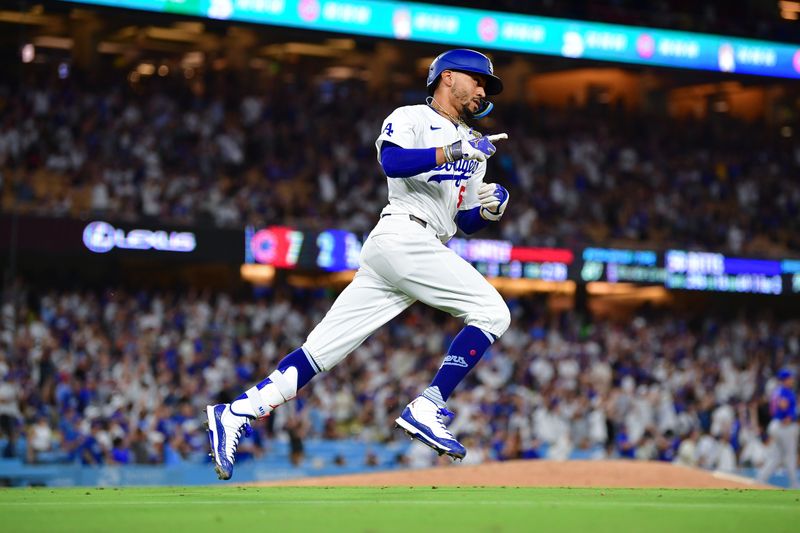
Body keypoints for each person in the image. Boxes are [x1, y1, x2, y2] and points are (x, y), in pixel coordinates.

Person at [205, 48, 512, 480]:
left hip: (416, 245)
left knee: (320, 352)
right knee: (493, 312)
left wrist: (491, 210)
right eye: (478, 80)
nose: (483, 90)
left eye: (487, 86)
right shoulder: (411, 117)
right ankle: (428, 405)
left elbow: (461, 221)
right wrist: (456, 148)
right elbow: (393, 161)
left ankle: (236, 412)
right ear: (447, 78)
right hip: (403, 233)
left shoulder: (473, 145)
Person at [757, 369, 798, 488]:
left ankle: (760, 479)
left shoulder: (776, 392)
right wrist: (788, 417)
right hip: (784, 426)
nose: (792, 380)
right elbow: (784, 407)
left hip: (775, 424)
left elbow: (773, 409)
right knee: (790, 456)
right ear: (785, 379)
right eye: (790, 378)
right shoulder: (786, 392)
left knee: (776, 456)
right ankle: (795, 485)